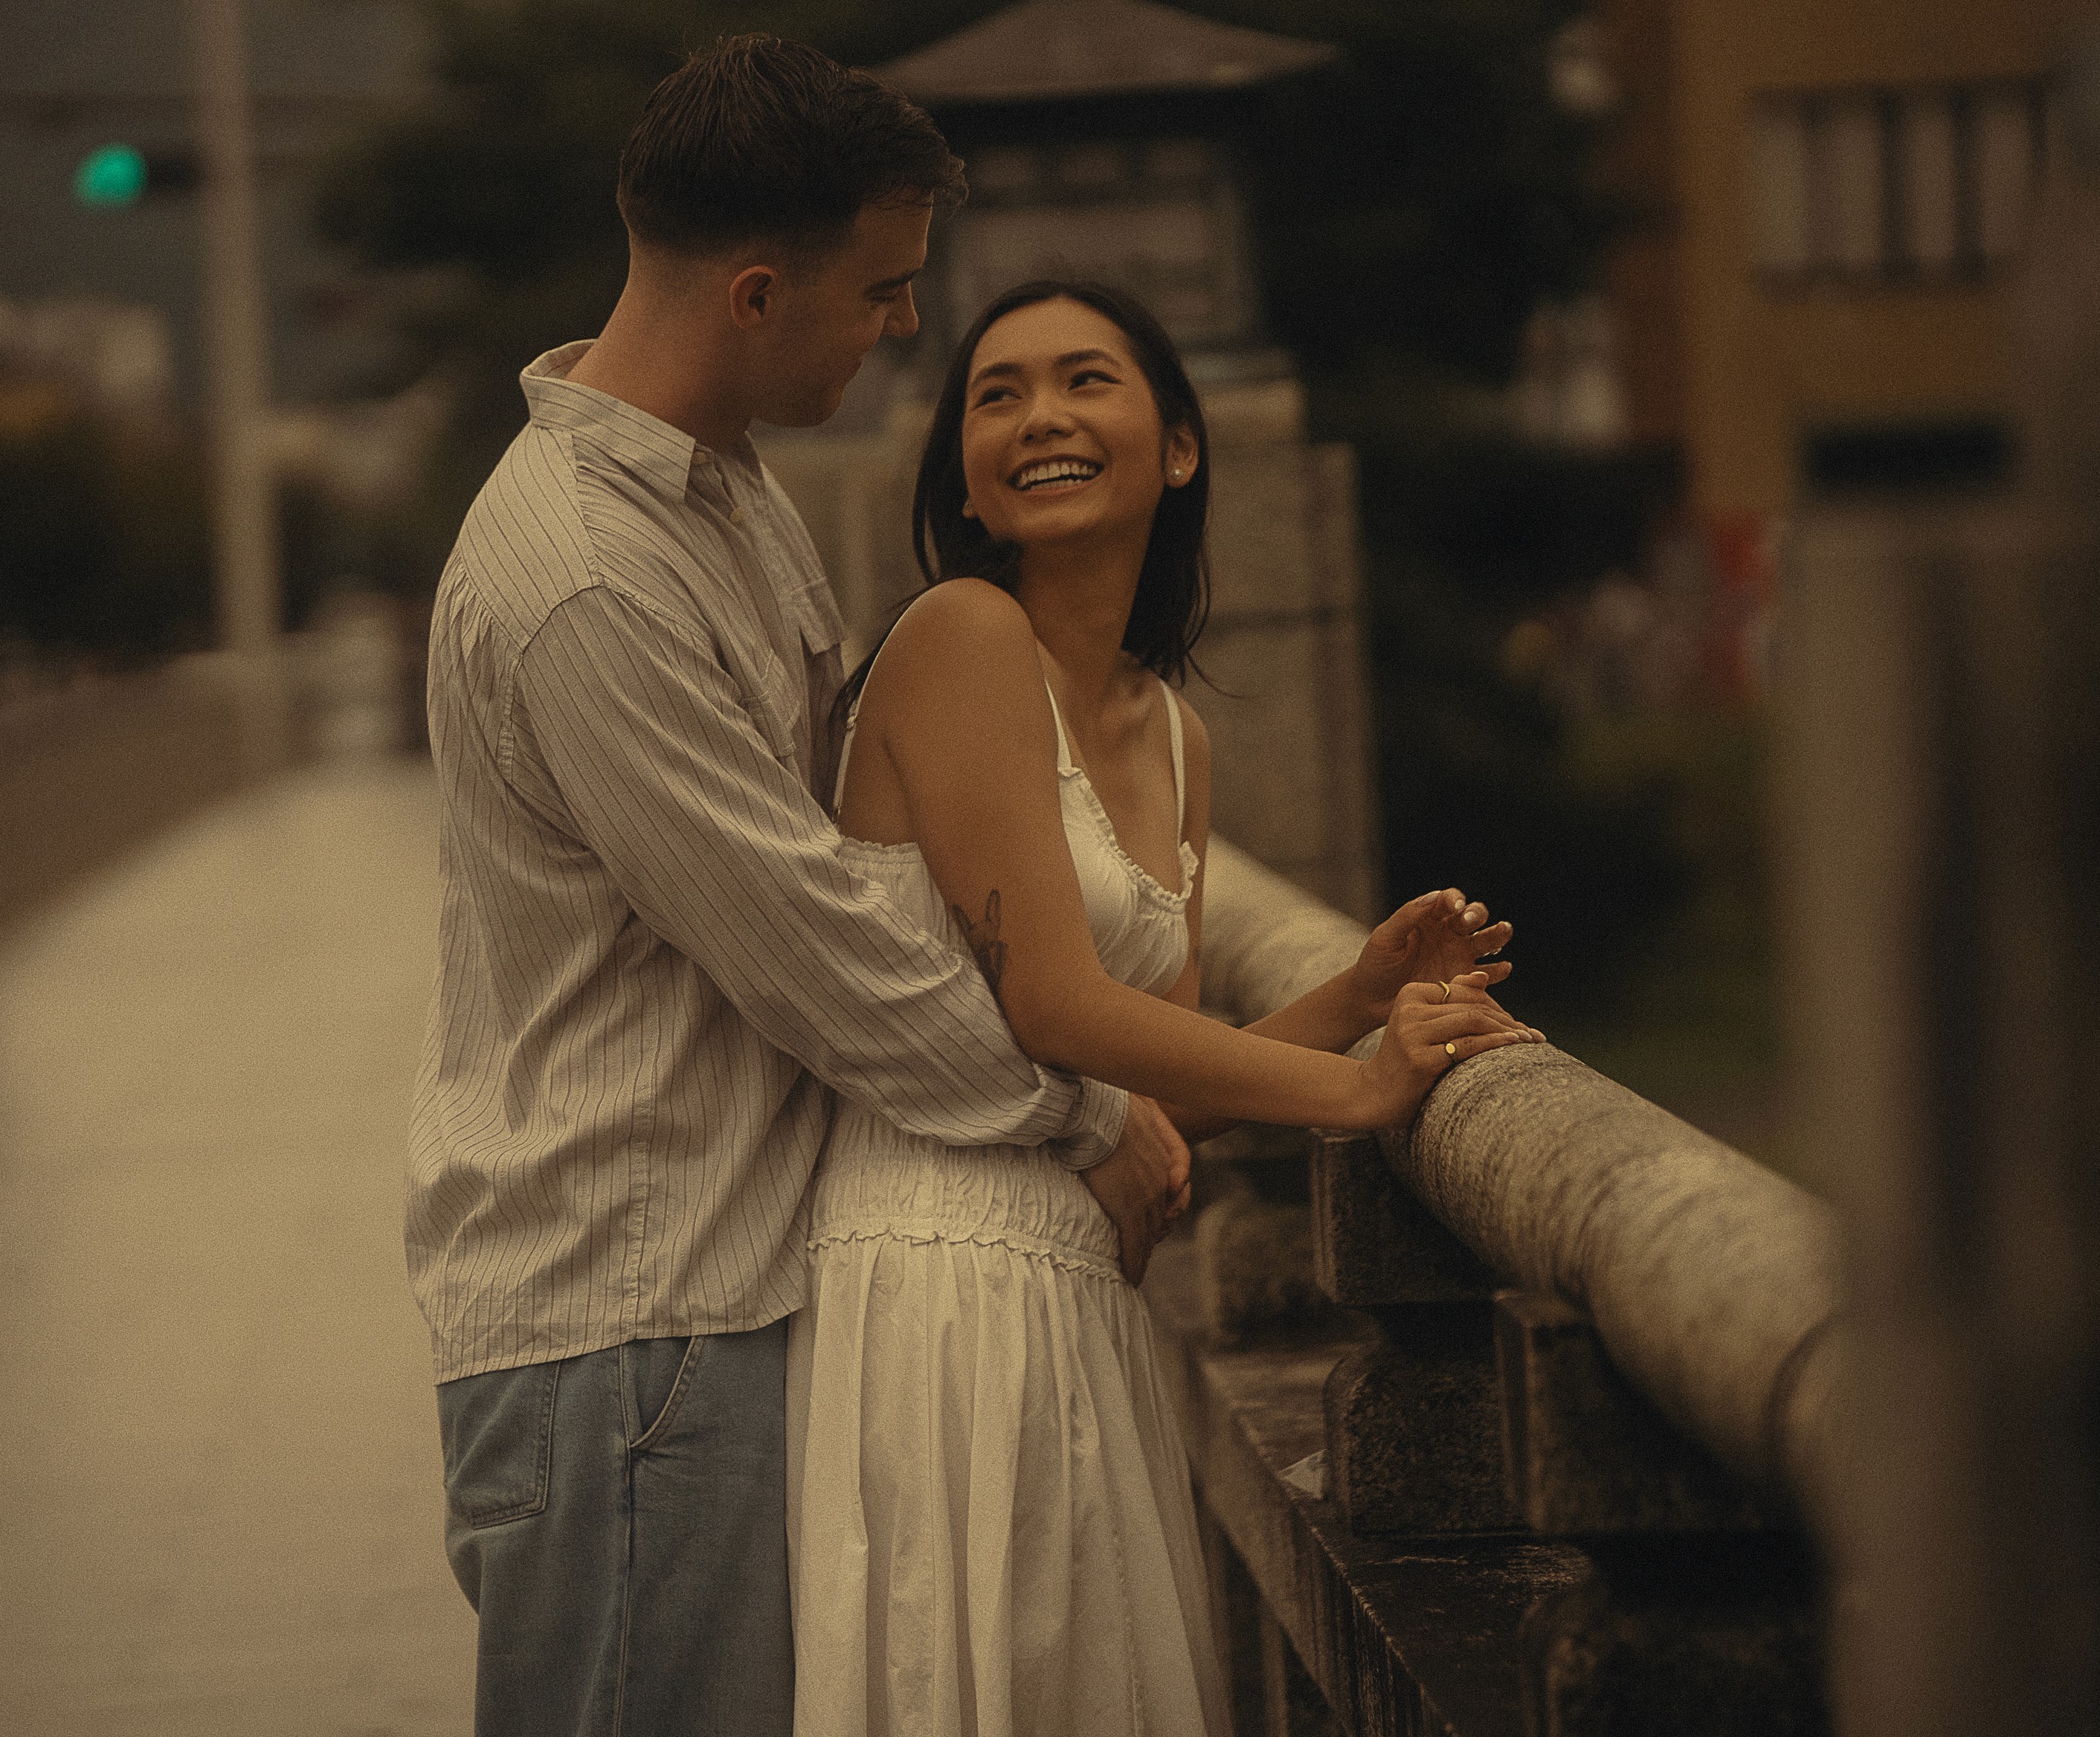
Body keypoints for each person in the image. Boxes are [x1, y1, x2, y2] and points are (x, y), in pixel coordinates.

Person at [406, 40, 1197, 1737]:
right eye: (886, 290)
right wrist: (1083, 1111)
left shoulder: (724, 499)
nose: (907, 328)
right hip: (630, 1324)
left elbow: (857, 860)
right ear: (757, 293)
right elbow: (819, 937)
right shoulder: (586, 579)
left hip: (713, 1300)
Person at [785, 279, 1544, 1737]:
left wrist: (1359, 992)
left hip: (1083, 1288)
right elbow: (1059, 1006)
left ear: (1180, 447)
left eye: (1086, 380)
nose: (1041, 417)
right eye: (996, 395)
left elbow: (1170, 1087)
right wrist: (1366, 1084)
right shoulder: (955, 636)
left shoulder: (1175, 736)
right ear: (962, 474)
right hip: (932, 1267)